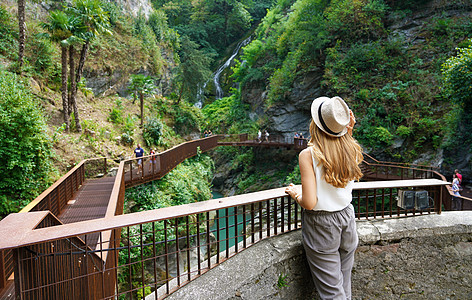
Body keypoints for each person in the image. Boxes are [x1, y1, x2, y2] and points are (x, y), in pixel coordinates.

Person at [285, 96, 363, 300]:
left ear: (315, 124)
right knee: (343, 285)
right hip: (347, 218)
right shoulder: (351, 148)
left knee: (332, 294)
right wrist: (348, 130)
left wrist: (296, 193)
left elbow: (310, 203)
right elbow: (343, 144)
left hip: (322, 225)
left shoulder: (308, 155)